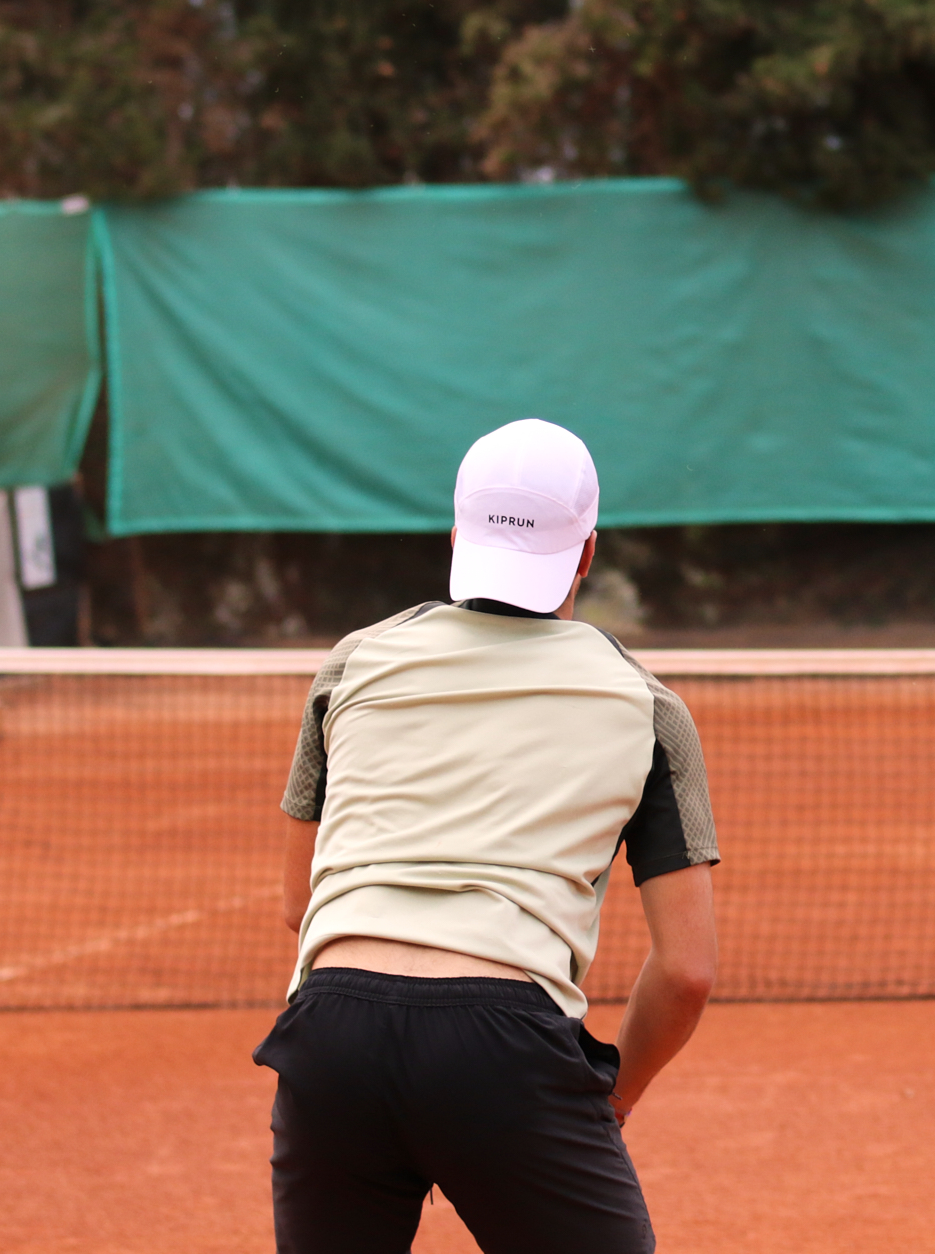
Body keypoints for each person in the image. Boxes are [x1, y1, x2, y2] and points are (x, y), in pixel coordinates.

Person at [255, 418, 719, 1254]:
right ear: (586, 553)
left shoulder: (352, 664)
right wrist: (610, 1101)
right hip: (504, 1048)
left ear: (456, 534)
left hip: (329, 1035)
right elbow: (687, 971)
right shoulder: (647, 707)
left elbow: (301, 904)